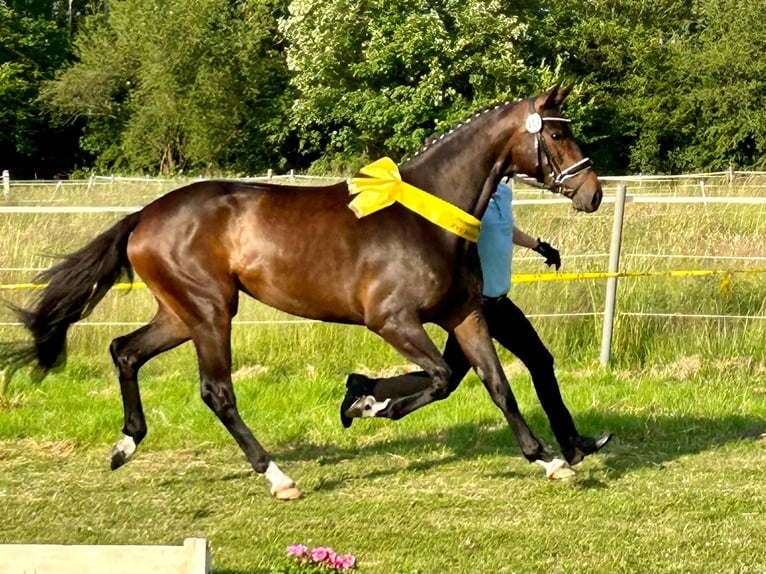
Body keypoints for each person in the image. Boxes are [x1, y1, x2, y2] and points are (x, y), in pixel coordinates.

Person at [339, 179, 611, 466]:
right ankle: (367, 387)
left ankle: (571, 443)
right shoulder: (468, 194)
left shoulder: (504, 192)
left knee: (540, 361)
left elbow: (504, 231)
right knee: (448, 379)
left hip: (500, 304)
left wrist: (538, 245)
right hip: (473, 310)